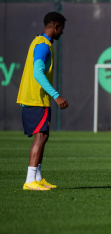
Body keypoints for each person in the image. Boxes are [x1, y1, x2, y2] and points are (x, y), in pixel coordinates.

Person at [17, 12, 69, 191]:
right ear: (55, 26)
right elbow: (37, 72)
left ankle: (37, 177)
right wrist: (56, 95)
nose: (62, 32)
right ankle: (30, 180)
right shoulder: (43, 46)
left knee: (43, 136)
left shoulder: (40, 42)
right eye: (61, 28)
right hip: (35, 99)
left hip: (39, 99)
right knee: (40, 136)